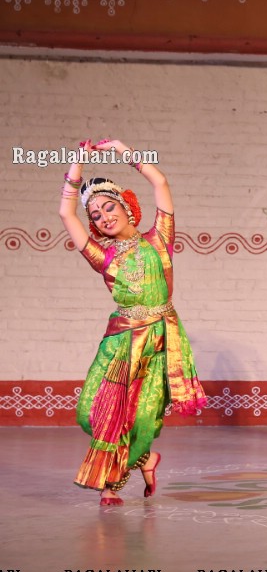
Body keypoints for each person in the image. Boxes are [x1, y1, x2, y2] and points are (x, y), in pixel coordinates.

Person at [58, 139, 206, 506]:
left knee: (140, 420)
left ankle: (111, 484)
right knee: (89, 412)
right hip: (119, 342)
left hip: (157, 340)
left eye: (109, 207)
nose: (104, 216)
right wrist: (78, 163)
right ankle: (146, 459)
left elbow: (160, 183)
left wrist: (124, 151)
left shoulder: (160, 240)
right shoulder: (101, 256)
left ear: (126, 207)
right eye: (96, 215)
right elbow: (66, 214)